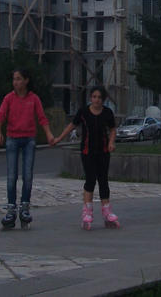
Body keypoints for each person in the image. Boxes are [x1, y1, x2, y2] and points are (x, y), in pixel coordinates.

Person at [0, 68, 55, 229]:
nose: (16, 82)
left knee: (27, 175)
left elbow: (42, 118)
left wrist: (49, 135)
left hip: (29, 139)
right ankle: (11, 209)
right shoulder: (9, 98)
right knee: (11, 176)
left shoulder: (33, 99)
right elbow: (0, 116)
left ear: (26, 80)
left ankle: (25, 208)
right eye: (14, 79)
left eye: (19, 79)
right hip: (12, 138)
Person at [52, 86, 120, 230]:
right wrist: (59, 138)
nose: (96, 100)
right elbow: (72, 125)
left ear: (103, 100)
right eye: (94, 97)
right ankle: (87, 212)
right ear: (90, 98)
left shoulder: (107, 113)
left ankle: (107, 212)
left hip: (103, 152)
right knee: (90, 180)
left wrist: (111, 142)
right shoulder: (83, 112)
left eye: (99, 97)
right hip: (87, 152)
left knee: (103, 181)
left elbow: (113, 129)